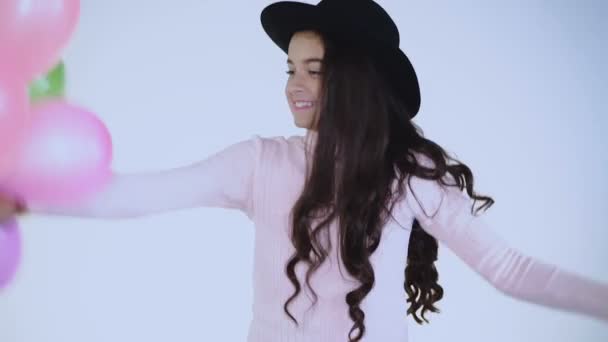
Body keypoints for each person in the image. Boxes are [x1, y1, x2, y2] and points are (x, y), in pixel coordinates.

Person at [1, 0, 607, 341]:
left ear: (354, 79)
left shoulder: (410, 175)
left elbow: (509, 268)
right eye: (289, 69)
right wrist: (27, 195)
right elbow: (145, 194)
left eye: (313, 69)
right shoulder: (261, 162)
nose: (294, 86)